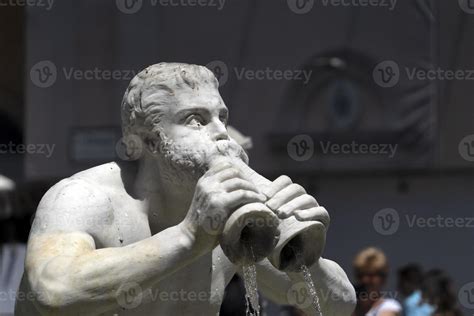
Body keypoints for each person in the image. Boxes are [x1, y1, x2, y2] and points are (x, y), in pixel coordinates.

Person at [15, 63, 355, 315]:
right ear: (145, 141)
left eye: (222, 116)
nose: (221, 132)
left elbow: (339, 306)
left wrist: (303, 254)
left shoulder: (229, 216)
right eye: (196, 119)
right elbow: (54, 289)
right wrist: (188, 238)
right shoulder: (82, 197)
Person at [352, 247, 402, 316]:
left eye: (371, 275)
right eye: (361, 274)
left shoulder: (389, 307)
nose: (365, 280)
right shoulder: (350, 308)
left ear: (383, 278)